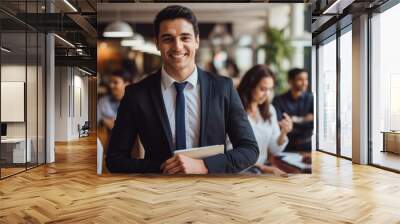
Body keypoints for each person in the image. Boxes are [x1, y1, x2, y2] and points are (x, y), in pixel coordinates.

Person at [106, 5, 259, 174]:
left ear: (197, 41)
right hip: (158, 194)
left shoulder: (223, 88)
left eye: (185, 38)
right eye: (167, 39)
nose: (177, 46)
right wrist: (162, 168)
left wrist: (204, 166)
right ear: (157, 43)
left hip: (212, 192)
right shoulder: (136, 94)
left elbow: (249, 150)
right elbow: (115, 160)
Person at [235, 64, 293, 176]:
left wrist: (283, 133)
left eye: (270, 89)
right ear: (250, 86)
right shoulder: (235, 110)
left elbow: (274, 148)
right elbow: (230, 151)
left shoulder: (270, 110)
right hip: (239, 170)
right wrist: (263, 168)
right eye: (262, 89)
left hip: (260, 169)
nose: (267, 94)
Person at [272, 68, 314, 152]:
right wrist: (305, 119)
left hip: (308, 146)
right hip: (286, 146)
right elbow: (279, 123)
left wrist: (293, 120)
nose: (304, 83)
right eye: (300, 79)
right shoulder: (278, 100)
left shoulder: (311, 98)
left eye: (306, 79)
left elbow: (314, 123)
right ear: (290, 82)